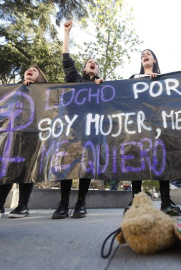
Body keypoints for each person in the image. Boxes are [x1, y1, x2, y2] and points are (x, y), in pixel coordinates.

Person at [52, 20, 103, 219]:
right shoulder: (74, 78)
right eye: (90, 61)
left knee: (86, 166)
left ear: (98, 70)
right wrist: (66, 33)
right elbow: (66, 59)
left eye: (96, 63)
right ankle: (63, 204)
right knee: (67, 164)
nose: (93, 63)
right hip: (71, 129)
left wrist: (101, 87)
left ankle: (80, 204)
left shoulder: (103, 87)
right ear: (84, 68)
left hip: (91, 131)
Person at [125, 49, 181, 216]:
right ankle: (136, 201)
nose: (145, 55)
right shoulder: (132, 79)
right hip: (138, 125)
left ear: (155, 60)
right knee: (136, 160)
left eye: (148, 53)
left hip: (159, 126)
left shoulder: (164, 80)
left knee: (162, 159)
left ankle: (166, 200)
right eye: (142, 54)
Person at [0, 65, 48, 218]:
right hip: (11, 136)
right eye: (28, 70)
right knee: (7, 168)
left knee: (26, 169)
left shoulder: (44, 92)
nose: (30, 71)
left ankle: (22, 206)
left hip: (32, 136)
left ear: (40, 78)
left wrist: (33, 89)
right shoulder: (14, 90)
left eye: (35, 71)